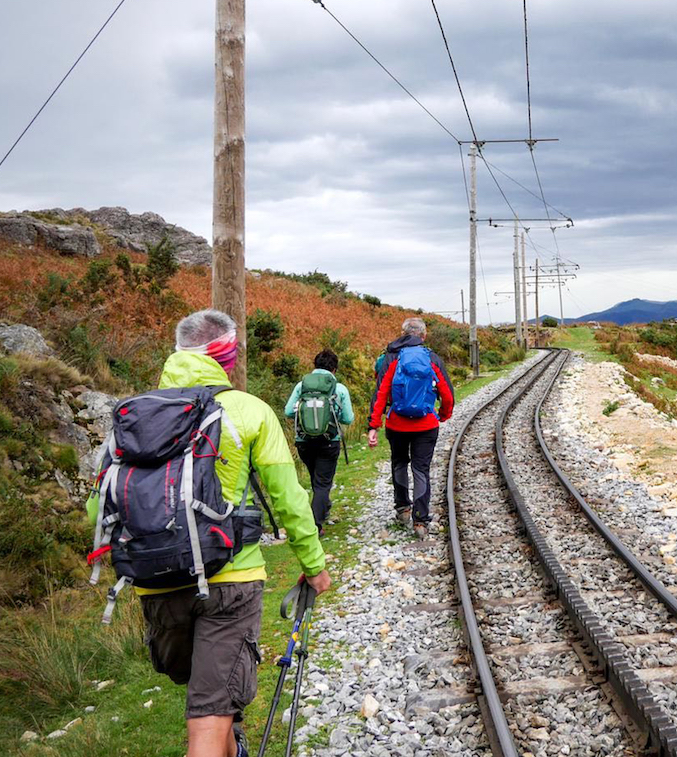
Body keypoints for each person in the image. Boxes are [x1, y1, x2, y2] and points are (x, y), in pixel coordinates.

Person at [91, 309, 331, 757]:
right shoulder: (248, 409)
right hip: (230, 577)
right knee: (209, 713)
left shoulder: (134, 415)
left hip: (154, 579)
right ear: (226, 355)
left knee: (210, 697)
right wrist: (314, 565)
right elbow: (289, 498)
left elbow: (98, 505)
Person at [368, 317, 454, 541]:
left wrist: (373, 425)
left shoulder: (391, 358)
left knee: (399, 463)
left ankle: (403, 508)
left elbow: (380, 393)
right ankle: (420, 519)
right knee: (420, 469)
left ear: (403, 334)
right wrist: (443, 415)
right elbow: (447, 394)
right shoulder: (432, 358)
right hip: (426, 425)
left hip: (396, 424)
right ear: (423, 336)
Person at [284, 349, 355, 534]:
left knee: (317, 478)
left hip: (304, 441)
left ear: (314, 366)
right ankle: (316, 524)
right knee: (323, 483)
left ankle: (322, 505)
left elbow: (288, 412)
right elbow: (348, 418)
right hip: (329, 441)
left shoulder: (302, 386)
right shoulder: (339, 388)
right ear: (334, 369)